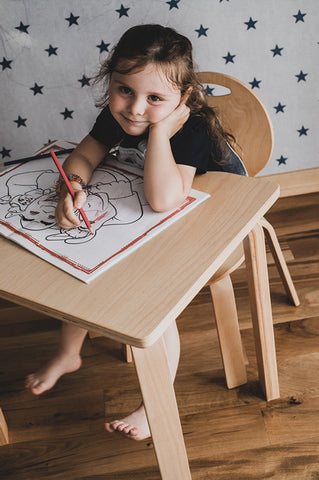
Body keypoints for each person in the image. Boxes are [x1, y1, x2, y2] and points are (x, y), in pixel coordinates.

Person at [25, 24, 246, 441]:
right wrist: (74, 186)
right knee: (86, 266)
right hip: (154, 217)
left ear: (184, 100)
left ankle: (154, 404)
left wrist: (162, 130)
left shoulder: (191, 129)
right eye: (124, 90)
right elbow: (84, 156)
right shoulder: (118, 114)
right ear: (111, 80)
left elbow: (165, 199)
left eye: (155, 99)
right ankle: (68, 353)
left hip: (215, 222)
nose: (135, 109)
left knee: (150, 302)